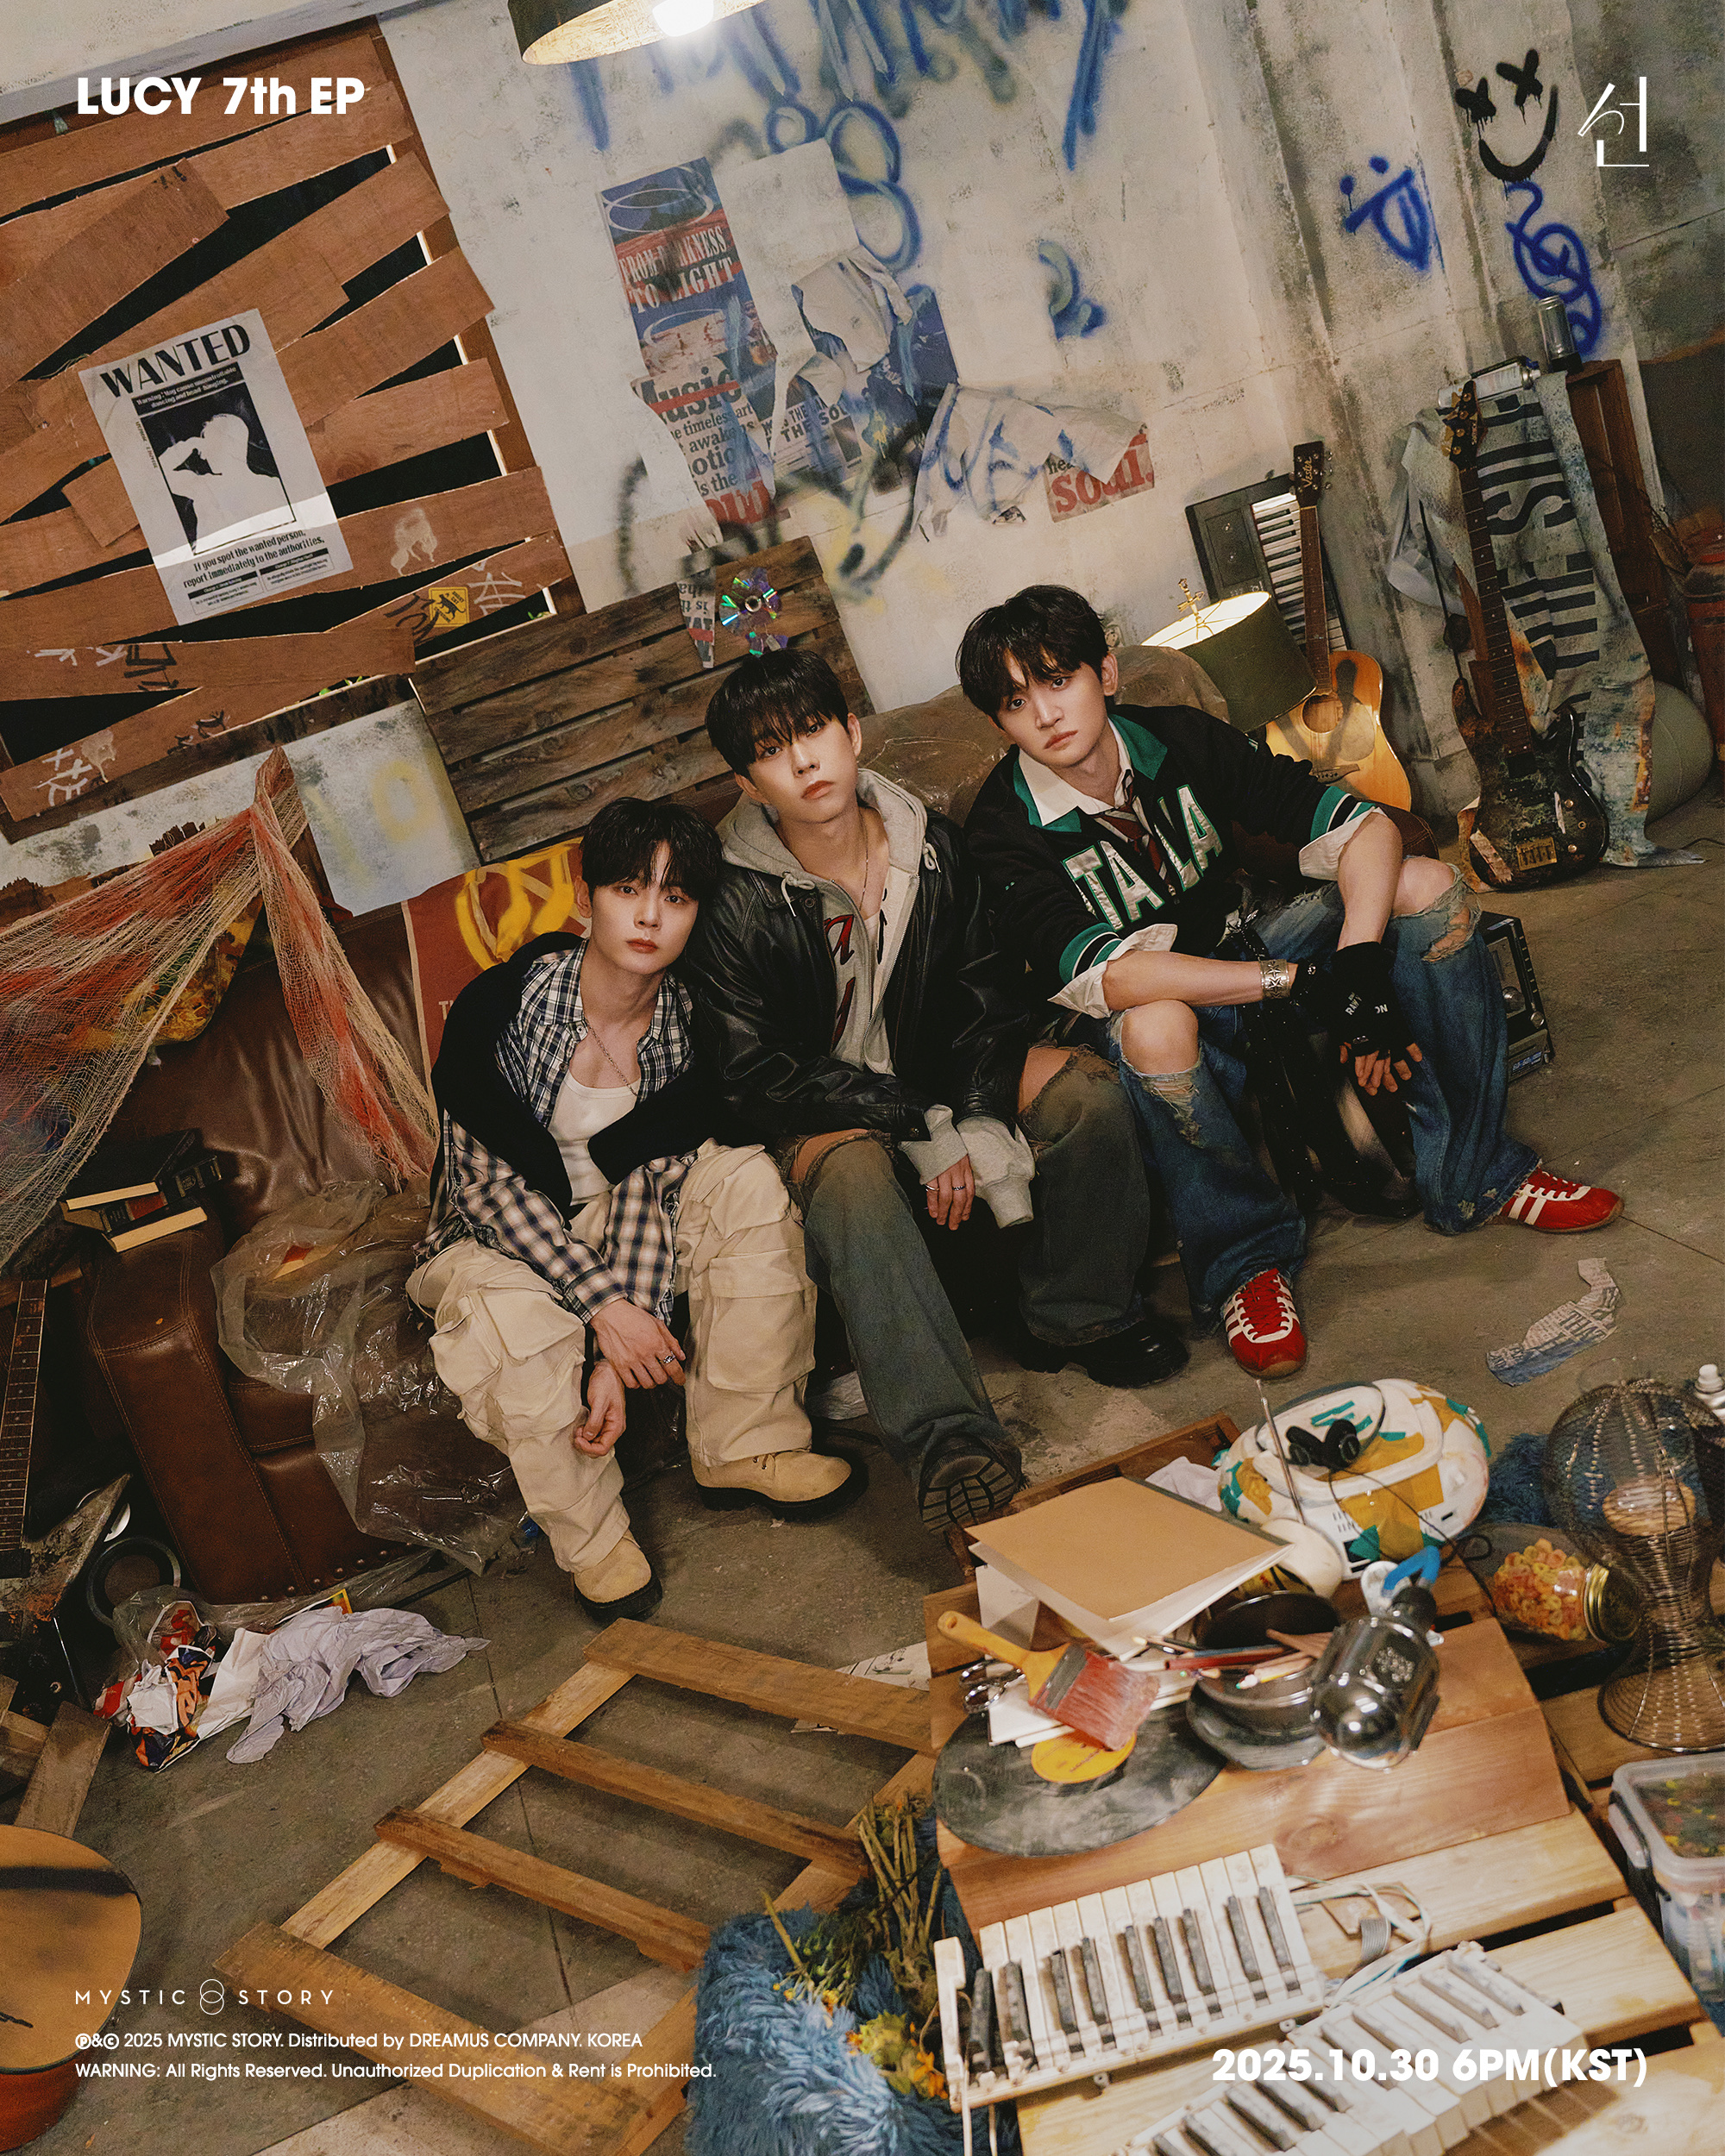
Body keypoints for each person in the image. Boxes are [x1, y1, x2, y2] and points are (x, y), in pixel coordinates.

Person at [958, 584, 1622, 1379]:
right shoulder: (1001, 828)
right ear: (998, 722)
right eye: (1015, 701)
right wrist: (1298, 981)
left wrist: (1361, 968)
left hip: (1256, 948)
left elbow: (1361, 825)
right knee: (1157, 1023)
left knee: (1426, 885)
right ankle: (1246, 1264)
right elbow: (1116, 974)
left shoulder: (1177, 739)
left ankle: (1477, 1174)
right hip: (1154, 1005)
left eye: (1058, 679)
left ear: (1104, 673)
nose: (1045, 714)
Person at [687, 648, 1184, 1537]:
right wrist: (914, 1120)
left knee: (1083, 1094)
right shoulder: (729, 900)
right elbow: (753, 1069)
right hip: (819, 1110)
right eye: (769, 750)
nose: (802, 761)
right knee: (853, 1179)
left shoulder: (933, 848)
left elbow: (983, 998)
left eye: (812, 730)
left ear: (851, 732)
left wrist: (973, 1111)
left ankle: (1077, 1316)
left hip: (933, 1077)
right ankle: (950, 1440)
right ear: (747, 783)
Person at [407, 798, 860, 1622]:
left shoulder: (689, 1025)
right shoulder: (504, 1009)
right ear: (587, 901)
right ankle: (594, 1541)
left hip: (619, 1218)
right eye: (629, 889)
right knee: (519, 1321)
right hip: (492, 1237)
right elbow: (490, 1190)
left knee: (746, 1180)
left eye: (675, 897)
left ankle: (747, 1445)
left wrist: (623, 1347)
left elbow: (656, 1182)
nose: (650, 916)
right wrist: (604, 1309)